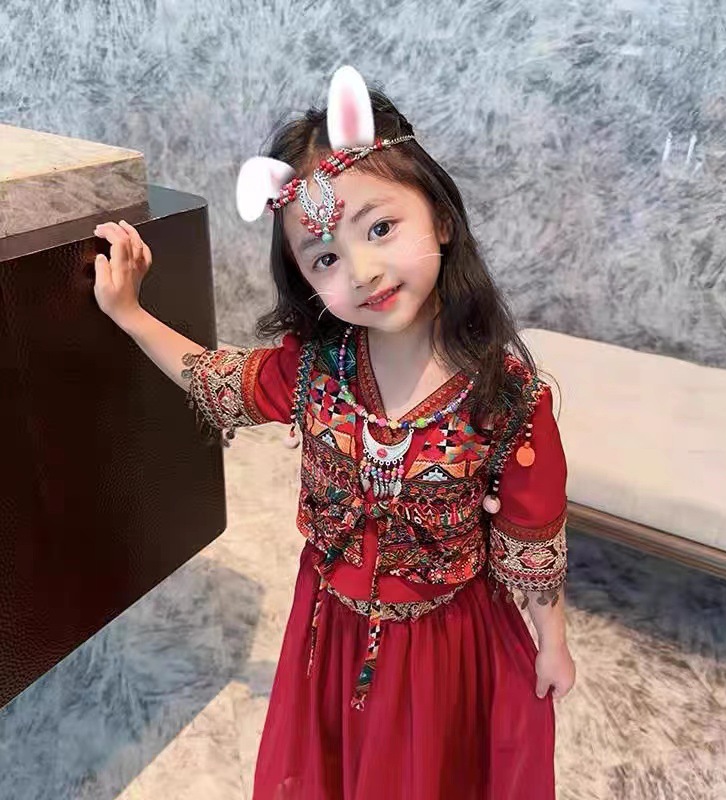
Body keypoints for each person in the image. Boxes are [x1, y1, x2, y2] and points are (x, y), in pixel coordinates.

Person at [92, 65, 576, 800]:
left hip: (448, 649)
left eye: (380, 228)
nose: (364, 270)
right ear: (307, 280)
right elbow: (215, 378)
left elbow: (532, 539)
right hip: (331, 634)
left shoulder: (506, 398)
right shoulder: (315, 369)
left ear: (442, 219)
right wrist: (129, 312)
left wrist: (553, 643)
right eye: (326, 257)